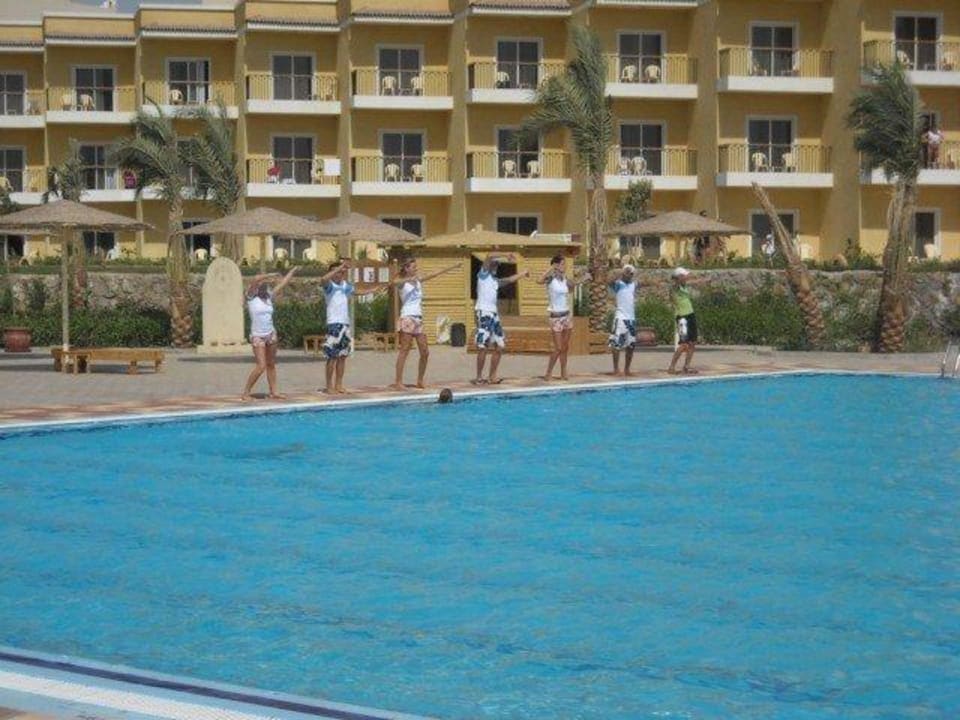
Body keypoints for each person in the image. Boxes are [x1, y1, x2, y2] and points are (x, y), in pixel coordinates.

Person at [384, 256, 462, 390]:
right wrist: (408, 279)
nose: (416, 269)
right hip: (407, 317)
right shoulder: (403, 283)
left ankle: (420, 380)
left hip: (418, 318)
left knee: (425, 351)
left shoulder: (418, 281)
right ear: (407, 268)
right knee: (405, 350)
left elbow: (434, 274)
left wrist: (452, 267)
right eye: (413, 267)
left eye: (416, 267)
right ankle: (398, 382)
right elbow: (393, 282)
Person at [241, 266, 299, 401]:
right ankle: (246, 392)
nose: (264, 285)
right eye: (262, 283)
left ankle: (274, 391)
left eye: (265, 283)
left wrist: (293, 271)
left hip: (271, 334)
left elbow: (283, 283)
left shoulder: (269, 296)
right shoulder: (251, 296)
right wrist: (270, 274)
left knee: (271, 364)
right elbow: (255, 279)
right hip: (257, 336)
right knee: (261, 366)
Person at [473, 253, 529, 385]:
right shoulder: (483, 275)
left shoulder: (495, 281)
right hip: (484, 312)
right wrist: (505, 254)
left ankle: (492, 376)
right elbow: (489, 256)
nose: (496, 266)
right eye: (494, 264)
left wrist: (523, 273)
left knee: (500, 345)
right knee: (483, 346)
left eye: (497, 265)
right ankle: (479, 377)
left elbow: (509, 279)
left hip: (494, 314)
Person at [537, 255, 589, 381]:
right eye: (562, 264)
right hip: (555, 317)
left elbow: (573, 284)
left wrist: (585, 278)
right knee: (558, 348)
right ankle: (548, 372)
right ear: (555, 265)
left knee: (565, 347)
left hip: (566, 316)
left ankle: (563, 371)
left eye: (564, 264)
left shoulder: (565, 279)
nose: (564, 266)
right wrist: (551, 269)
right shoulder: (550, 279)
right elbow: (539, 280)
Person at [320, 260, 355, 394]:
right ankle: (329, 386)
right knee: (332, 356)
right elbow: (323, 279)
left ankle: (339, 385)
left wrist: (376, 288)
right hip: (334, 324)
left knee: (342, 356)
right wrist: (340, 267)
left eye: (341, 272)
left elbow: (357, 291)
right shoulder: (330, 286)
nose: (339, 274)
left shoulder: (345, 286)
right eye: (336, 272)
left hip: (345, 324)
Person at [607, 263, 639, 376]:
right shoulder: (618, 284)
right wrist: (621, 272)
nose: (629, 275)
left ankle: (627, 369)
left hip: (631, 319)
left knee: (631, 345)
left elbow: (646, 282)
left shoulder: (633, 285)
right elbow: (609, 281)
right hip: (620, 317)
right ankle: (616, 369)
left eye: (631, 273)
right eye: (627, 272)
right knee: (616, 344)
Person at [668, 266, 699, 375]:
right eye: (684, 276)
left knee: (692, 342)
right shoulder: (675, 288)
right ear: (679, 277)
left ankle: (686, 366)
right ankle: (671, 367)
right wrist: (677, 277)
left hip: (691, 315)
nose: (686, 278)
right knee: (684, 344)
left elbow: (695, 281)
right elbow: (674, 281)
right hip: (682, 317)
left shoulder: (684, 286)